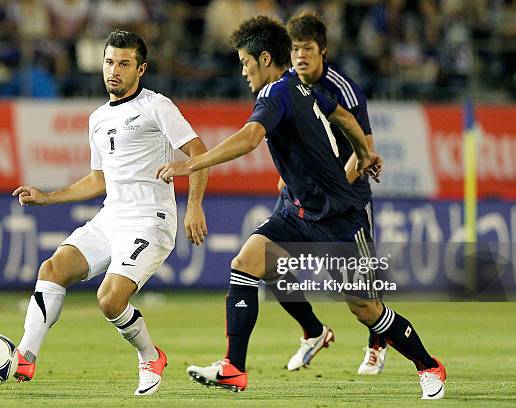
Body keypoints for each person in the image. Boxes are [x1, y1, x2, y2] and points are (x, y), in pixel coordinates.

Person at [156, 16, 446, 400]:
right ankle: (234, 368)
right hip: (297, 210)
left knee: (366, 309)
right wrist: (364, 150)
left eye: (244, 62)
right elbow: (340, 115)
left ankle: (429, 366)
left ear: (263, 58)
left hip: (339, 218)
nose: (242, 71)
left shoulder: (275, 91)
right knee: (245, 264)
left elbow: (251, 137)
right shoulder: (300, 84)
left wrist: (192, 163)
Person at [11, 29, 209, 396]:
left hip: (151, 221)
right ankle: (25, 354)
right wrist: (49, 197)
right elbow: (99, 179)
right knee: (52, 269)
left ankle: (151, 356)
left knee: (110, 299)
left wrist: (193, 205)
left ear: (141, 68)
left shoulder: (156, 106)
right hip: (111, 217)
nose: (114, 70)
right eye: (108, 62)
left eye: (123, 63)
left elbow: (199, 154)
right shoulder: (98, 118)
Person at [270, 11, 388, 375]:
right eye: (294, 49)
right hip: (299, 197)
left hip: (343, 202)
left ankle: (378, 342)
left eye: (307, 48)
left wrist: (327, 185)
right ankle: (312, 331)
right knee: (268, 260)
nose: (300, 56)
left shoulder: (344, 89)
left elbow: (363, 149)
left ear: (323, 51)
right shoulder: (288, 85)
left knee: (359, 295)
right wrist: (293, 178)